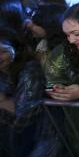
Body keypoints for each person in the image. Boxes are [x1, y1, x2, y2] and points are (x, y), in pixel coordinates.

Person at [0, 27, 47, 156]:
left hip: (33, 140)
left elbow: (23, 118)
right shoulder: (4, 72)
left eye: (3, 51)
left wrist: (2, 99)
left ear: (17, 49)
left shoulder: (30, 72)